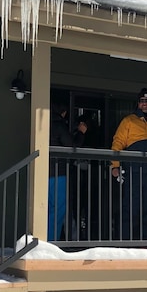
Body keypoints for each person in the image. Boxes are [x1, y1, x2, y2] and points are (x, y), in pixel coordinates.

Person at [110, 88, 147, 240]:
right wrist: (115, 165)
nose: (144, 104)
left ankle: (145, 242)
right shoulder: (128, 120)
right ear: (138, 103)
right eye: (141, 101)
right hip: (133, 171)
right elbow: (118, 142)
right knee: (131, 207)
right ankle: (126, 241)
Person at [48, 102, 87, 241]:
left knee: (47, 208)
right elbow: (72, 147)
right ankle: (51, 241)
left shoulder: (44, 123)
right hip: (59, 173)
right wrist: (81, 133)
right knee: (58, 209)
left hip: (43, 172)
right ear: (63, 113)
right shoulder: (59, 125)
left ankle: (45, 240)